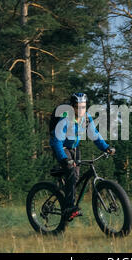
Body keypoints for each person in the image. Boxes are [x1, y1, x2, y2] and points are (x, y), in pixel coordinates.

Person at [49, 93, 115, 221]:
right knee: (71, 172)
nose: (81, 110)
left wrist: (106, 147)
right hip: (60, 146)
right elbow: (57, 140)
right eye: (78, 107)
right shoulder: (65, 118)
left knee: (76, 177)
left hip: (74, 147)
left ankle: (63, 180)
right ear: (72, 107)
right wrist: (64, 158)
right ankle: (69, 207)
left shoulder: (87, 118)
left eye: (83, 107)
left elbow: (94, 134)